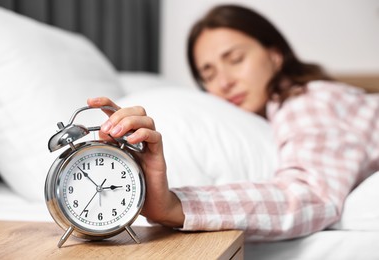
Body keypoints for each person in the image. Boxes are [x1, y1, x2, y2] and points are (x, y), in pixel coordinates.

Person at [87, 4, 379, 241]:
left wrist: (177, 206)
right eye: (209, 74)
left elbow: (310, 195)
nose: (224, 82)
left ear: (275, 56)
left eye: (235, 58)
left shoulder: (306, 100)